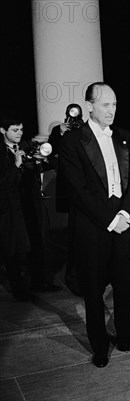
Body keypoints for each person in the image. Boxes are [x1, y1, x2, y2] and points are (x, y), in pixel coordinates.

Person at [60, 82, 130, 368]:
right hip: (93, 226)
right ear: (89, 105)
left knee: (125, 284)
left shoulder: (124, 136)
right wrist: (110, 219)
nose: (111, 110)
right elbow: (78, 190)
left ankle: (128, 339)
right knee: (93, 288)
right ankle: (100, 346)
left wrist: (125, 213)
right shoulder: (73, 141)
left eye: (114, 104)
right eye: (105, 105)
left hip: (123, 223)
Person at [0, 112, 60, 299]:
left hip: (30, 204)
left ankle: (39, 281)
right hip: (10, 208)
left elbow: (45, 165)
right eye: (15, 130)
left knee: (37, 242)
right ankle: (19, 289)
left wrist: (40, 160)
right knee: (14, 248)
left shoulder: (25, 145)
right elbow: (4, 182)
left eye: (22, 129)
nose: (19, 133)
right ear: (2, 130)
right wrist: (17, 164)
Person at [48, 103, 85, 296]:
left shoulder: (86, 130)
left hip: (86, 189)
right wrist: (59, 133)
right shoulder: (59, 131)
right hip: (71, 191)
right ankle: (74, 279)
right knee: (74, 237)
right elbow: (50, 151)